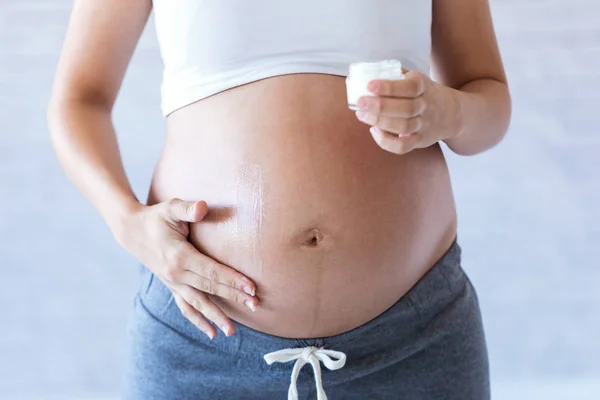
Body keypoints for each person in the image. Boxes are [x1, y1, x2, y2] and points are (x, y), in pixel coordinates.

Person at [48, 0, 511, 399]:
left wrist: (446, 111)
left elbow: (488, 95)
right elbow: (79, 97)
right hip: (202, 337)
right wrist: (126, 221)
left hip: (415, 339)